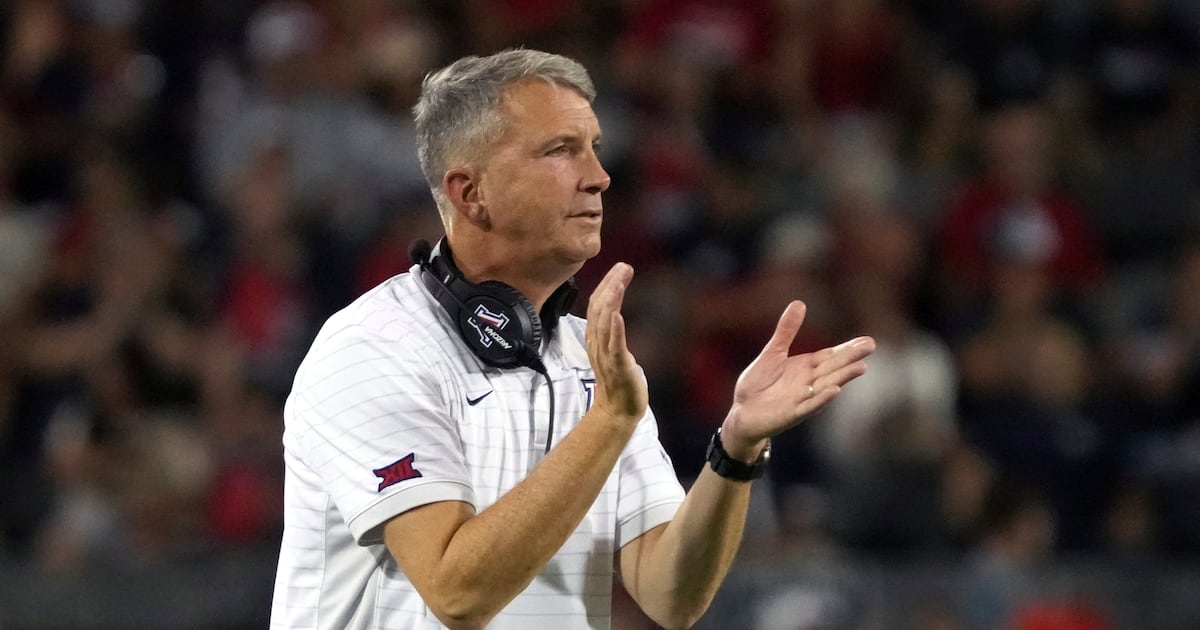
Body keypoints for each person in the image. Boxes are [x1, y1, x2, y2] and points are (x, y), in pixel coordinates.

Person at [269, 48, 875, 630]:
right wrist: (608, 422)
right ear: (470, 193)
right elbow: (456, 592)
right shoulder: (374, 348)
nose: (600, 177)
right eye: (560, 151)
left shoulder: (594, 360)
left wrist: (736, 446)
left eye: (594, 149)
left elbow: (670, 595)